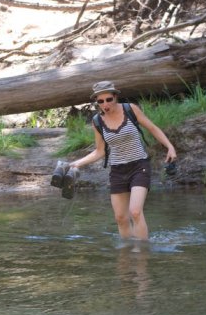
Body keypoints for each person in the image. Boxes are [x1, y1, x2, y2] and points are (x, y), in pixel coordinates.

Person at [63, 81, 177, 241]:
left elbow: (152, 128)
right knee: (120, 218)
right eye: (100, 101)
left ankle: (141, 253)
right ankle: (127, 251)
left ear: (116, 96)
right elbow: (99, 151)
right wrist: (75, 164)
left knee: (135, 211)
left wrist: (170, 147)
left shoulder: (130, 109)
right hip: (117, 170)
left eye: (109, 99)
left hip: (139, 165)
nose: (105, 104)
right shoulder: (97, 121)